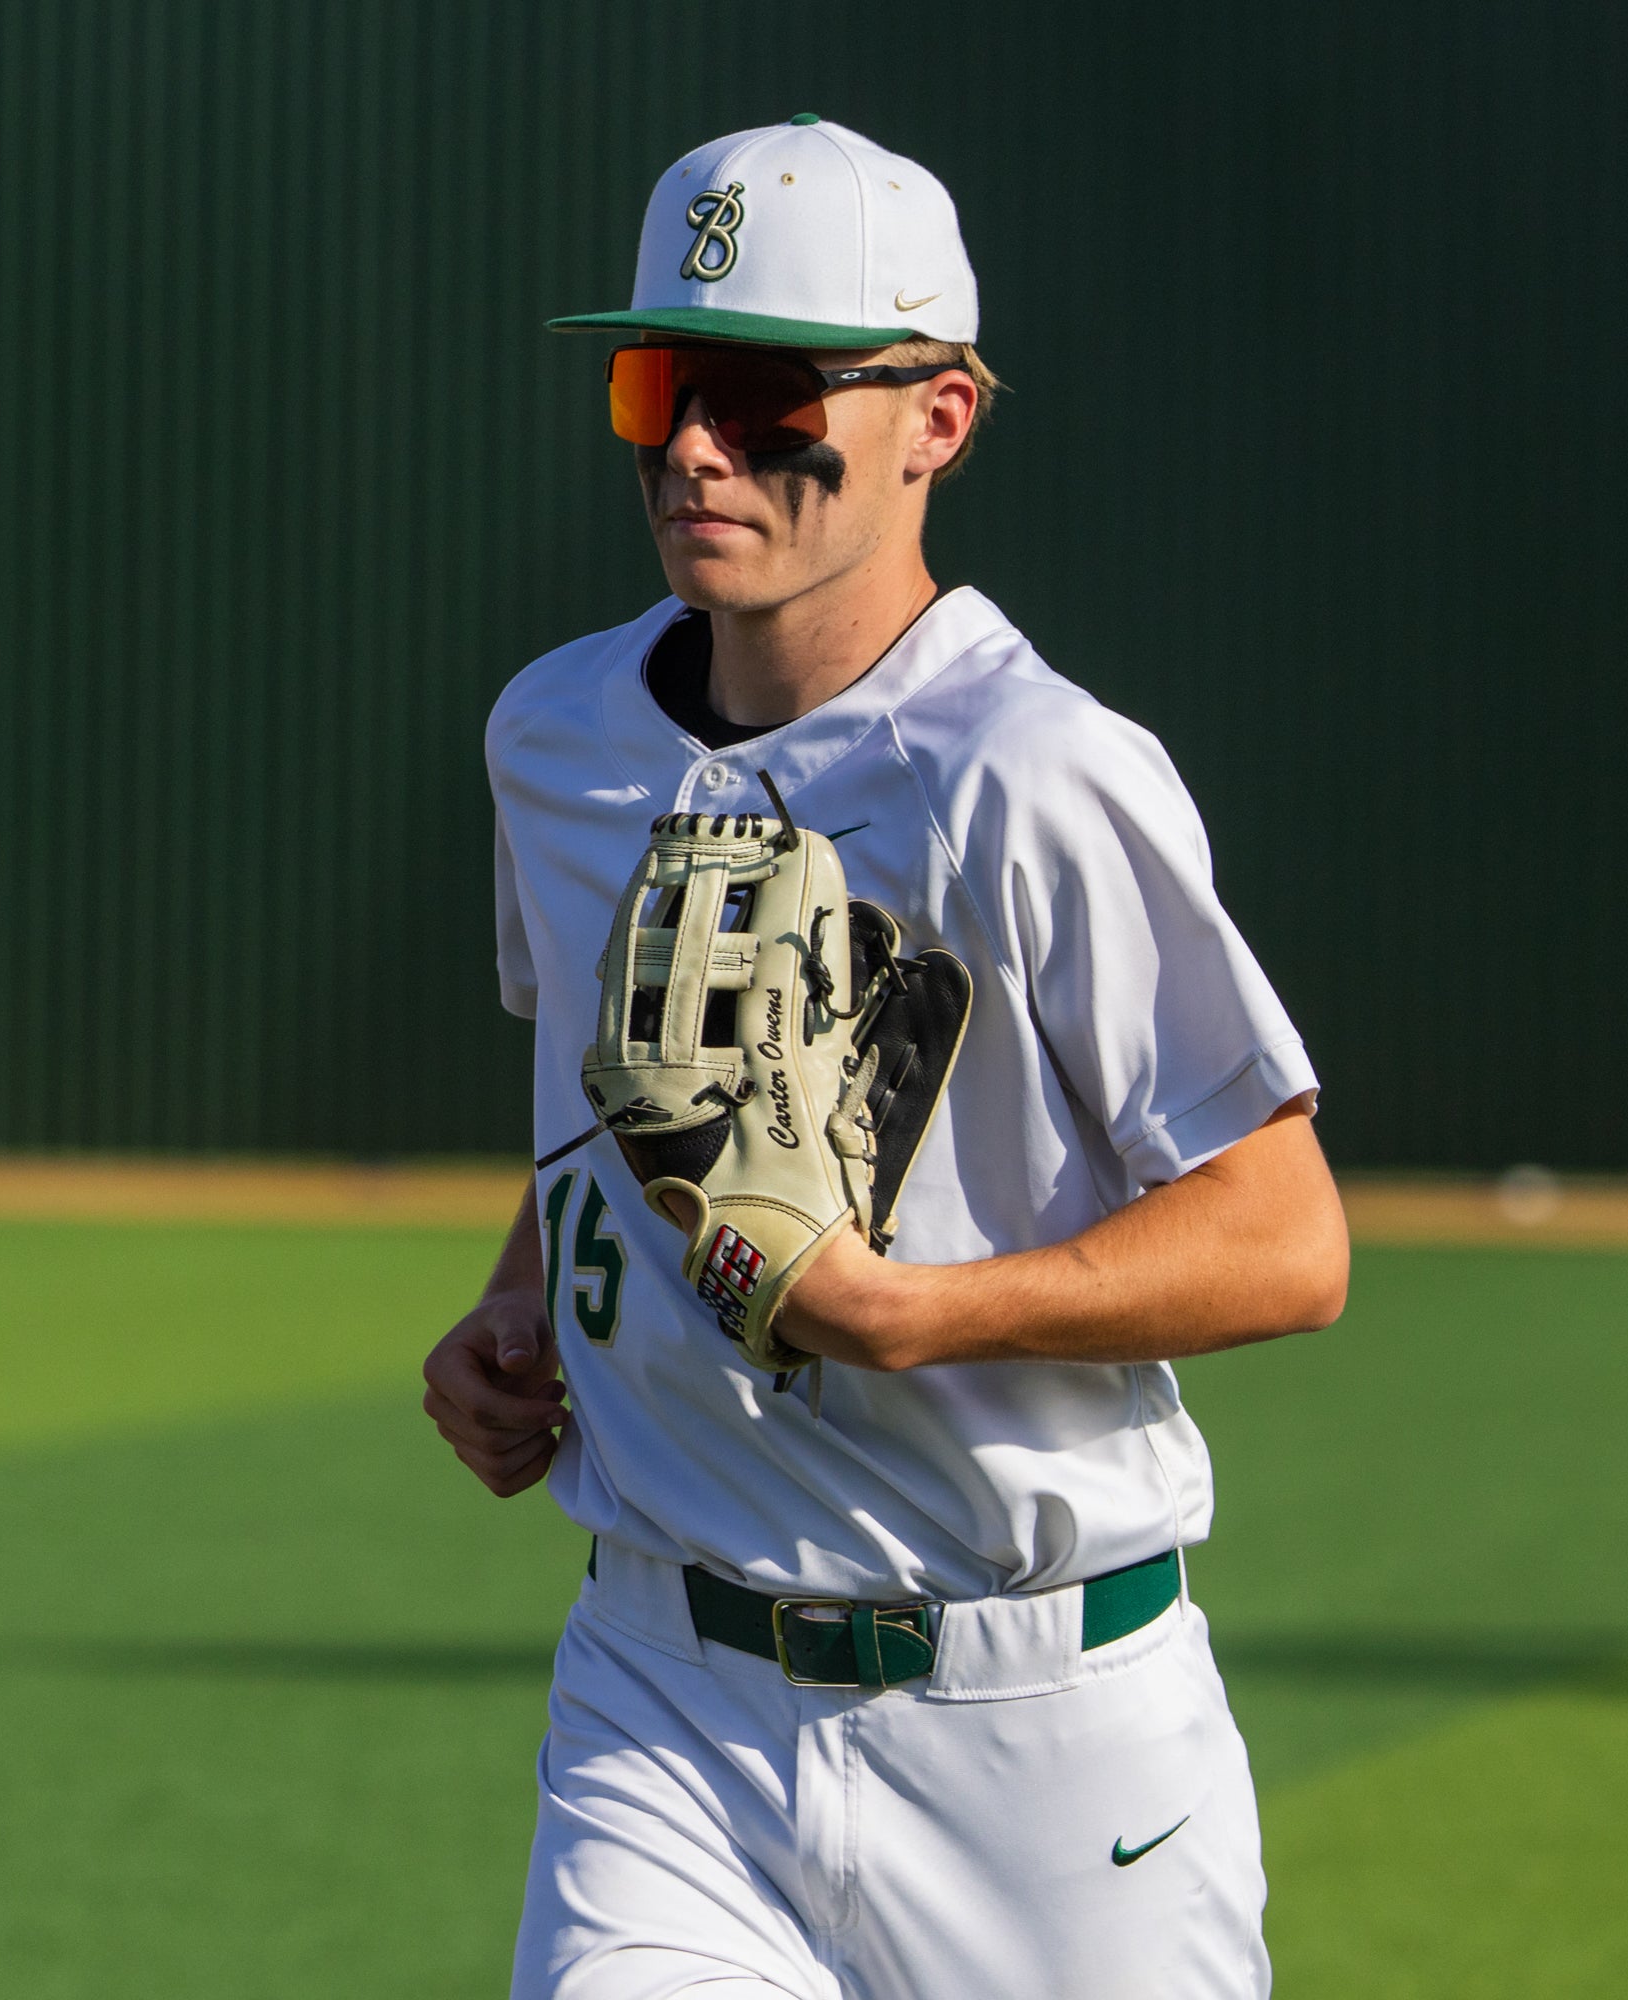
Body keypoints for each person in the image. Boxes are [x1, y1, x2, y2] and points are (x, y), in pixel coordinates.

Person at [422, 114, 1348, 1999]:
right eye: (660, 386)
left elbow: (1284, 1240)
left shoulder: (1035, 772)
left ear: (938, 417)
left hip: (1042, 1739)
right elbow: (613, 1112)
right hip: (663, 1701)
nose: (696, 448)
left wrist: (915, 1317)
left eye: (769, 399)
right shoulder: (557, 735)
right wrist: (523, 1306)